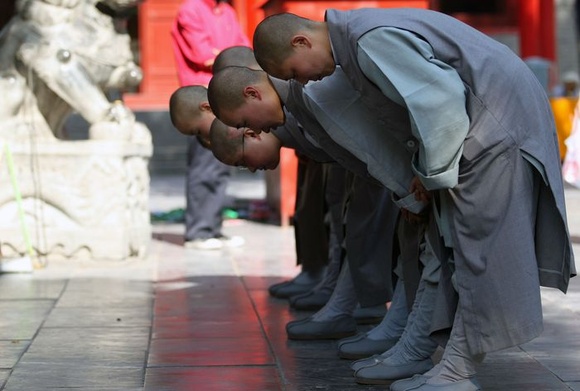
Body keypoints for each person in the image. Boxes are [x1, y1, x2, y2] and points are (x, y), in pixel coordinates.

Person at [249, 9, 575, 391]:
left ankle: (457, 372)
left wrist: (429, 172)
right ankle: (443, 360)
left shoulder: (368, 38)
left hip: (493, 123)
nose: (301, 82)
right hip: (485, 121)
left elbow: (439, 102)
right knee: (457, 247)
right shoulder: (357, 37)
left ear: (300, 42)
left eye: (293, 72)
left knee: (478, 252)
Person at [208, 68, 445, 384]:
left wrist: (411, 187)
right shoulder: (298, 101)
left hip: (432, 157)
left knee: (431, 249)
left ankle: (437, 352)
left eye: (243, 125)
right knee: (363, 226)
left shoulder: (315, 92)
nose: (253, 130)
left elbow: (379, 141)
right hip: (405, 170)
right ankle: (401, 330)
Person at [170, 0, 249, 250]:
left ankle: (212, 228)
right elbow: (203, 55)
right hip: (201, 100)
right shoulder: (190, 9)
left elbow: (244, 48)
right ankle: (198, 232)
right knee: (204, 166)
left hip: (225, 95)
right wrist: (236, 60)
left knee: (220, 165)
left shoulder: (226, 11)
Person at [168, 85, 244, 249]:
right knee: (205, 173)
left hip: (209, 100)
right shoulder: (199, 115)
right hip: (192, 104)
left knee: (218, 174)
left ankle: (212, 230)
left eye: (199, 131)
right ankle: (200, 232)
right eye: (197, 132)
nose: (202, 136)